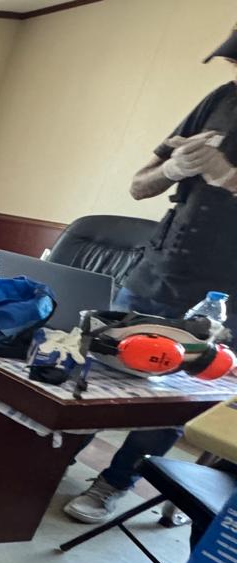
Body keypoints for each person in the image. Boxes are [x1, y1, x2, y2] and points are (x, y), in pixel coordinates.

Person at [65, 30, 237, 523]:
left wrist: (228, 177)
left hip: (224, 296)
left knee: (171, 400)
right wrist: (173, 170)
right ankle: (55, 459)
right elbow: (140, 184)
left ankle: (115, 483)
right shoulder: (220, 100)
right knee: (93, 374)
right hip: (155, 272)